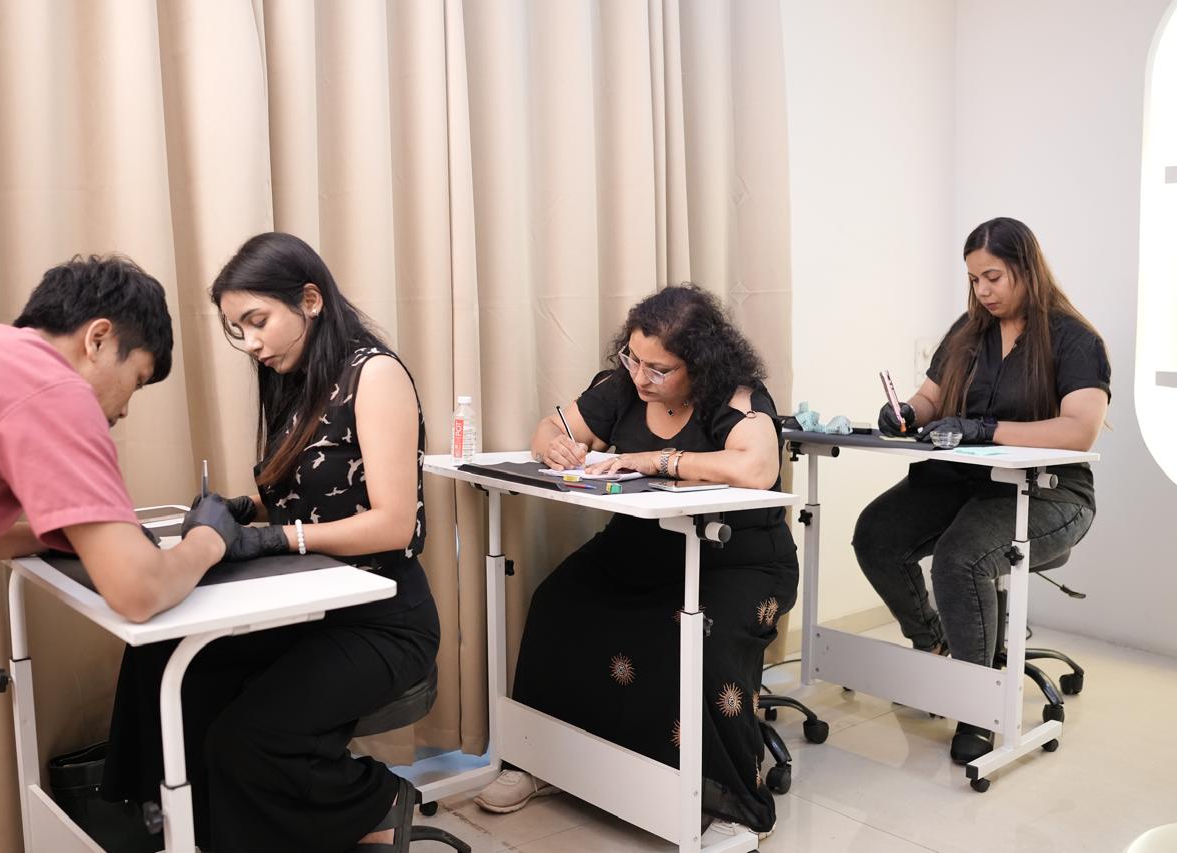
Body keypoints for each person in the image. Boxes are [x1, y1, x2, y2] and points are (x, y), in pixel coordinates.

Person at [101, 233, 439, 853]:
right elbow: (310, 489)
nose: (251, 343)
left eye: (257, 322)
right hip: (310, 606)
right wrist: (240, 509)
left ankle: (378, 799)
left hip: (382, 619)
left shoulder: (375, 375)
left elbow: (394, 523)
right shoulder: (297, 380)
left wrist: (274, 538)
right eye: (239, 330)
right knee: (161, 659)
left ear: (310, 300)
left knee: (245, 740)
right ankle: (174, 825)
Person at [472, 284, 798, 839]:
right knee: (558, 602)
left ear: (700, 364)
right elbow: (550, 428)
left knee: (704, 642)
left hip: (736, 562)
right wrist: (555, 447)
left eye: (659, 369)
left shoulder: (737, 398)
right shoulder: (622, 386)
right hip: (639, 549)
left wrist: (653, 460)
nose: (642, 377)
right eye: (634, 359)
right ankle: (542, 761)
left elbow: (757, 469)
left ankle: (731, 800)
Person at [852, 217, 1110, 763]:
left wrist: (986, 429)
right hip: (963, 483)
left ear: (1026, 268)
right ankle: (934, 644)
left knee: (961, 557)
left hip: (1050, 494)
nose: (983, 291)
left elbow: (1078, 431)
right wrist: (905, 413)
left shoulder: (1074, 339)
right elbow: (930, 398)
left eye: (993, 277)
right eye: (974, 280)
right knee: (876, 534)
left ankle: (979, 709)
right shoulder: (968, 333)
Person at [0, 255, 234, 620]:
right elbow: (140, 591)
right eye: (136, 380)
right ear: (98, 339)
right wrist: (209, 539)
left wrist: (67, 538)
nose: (124, 410)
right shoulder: (49, 387)